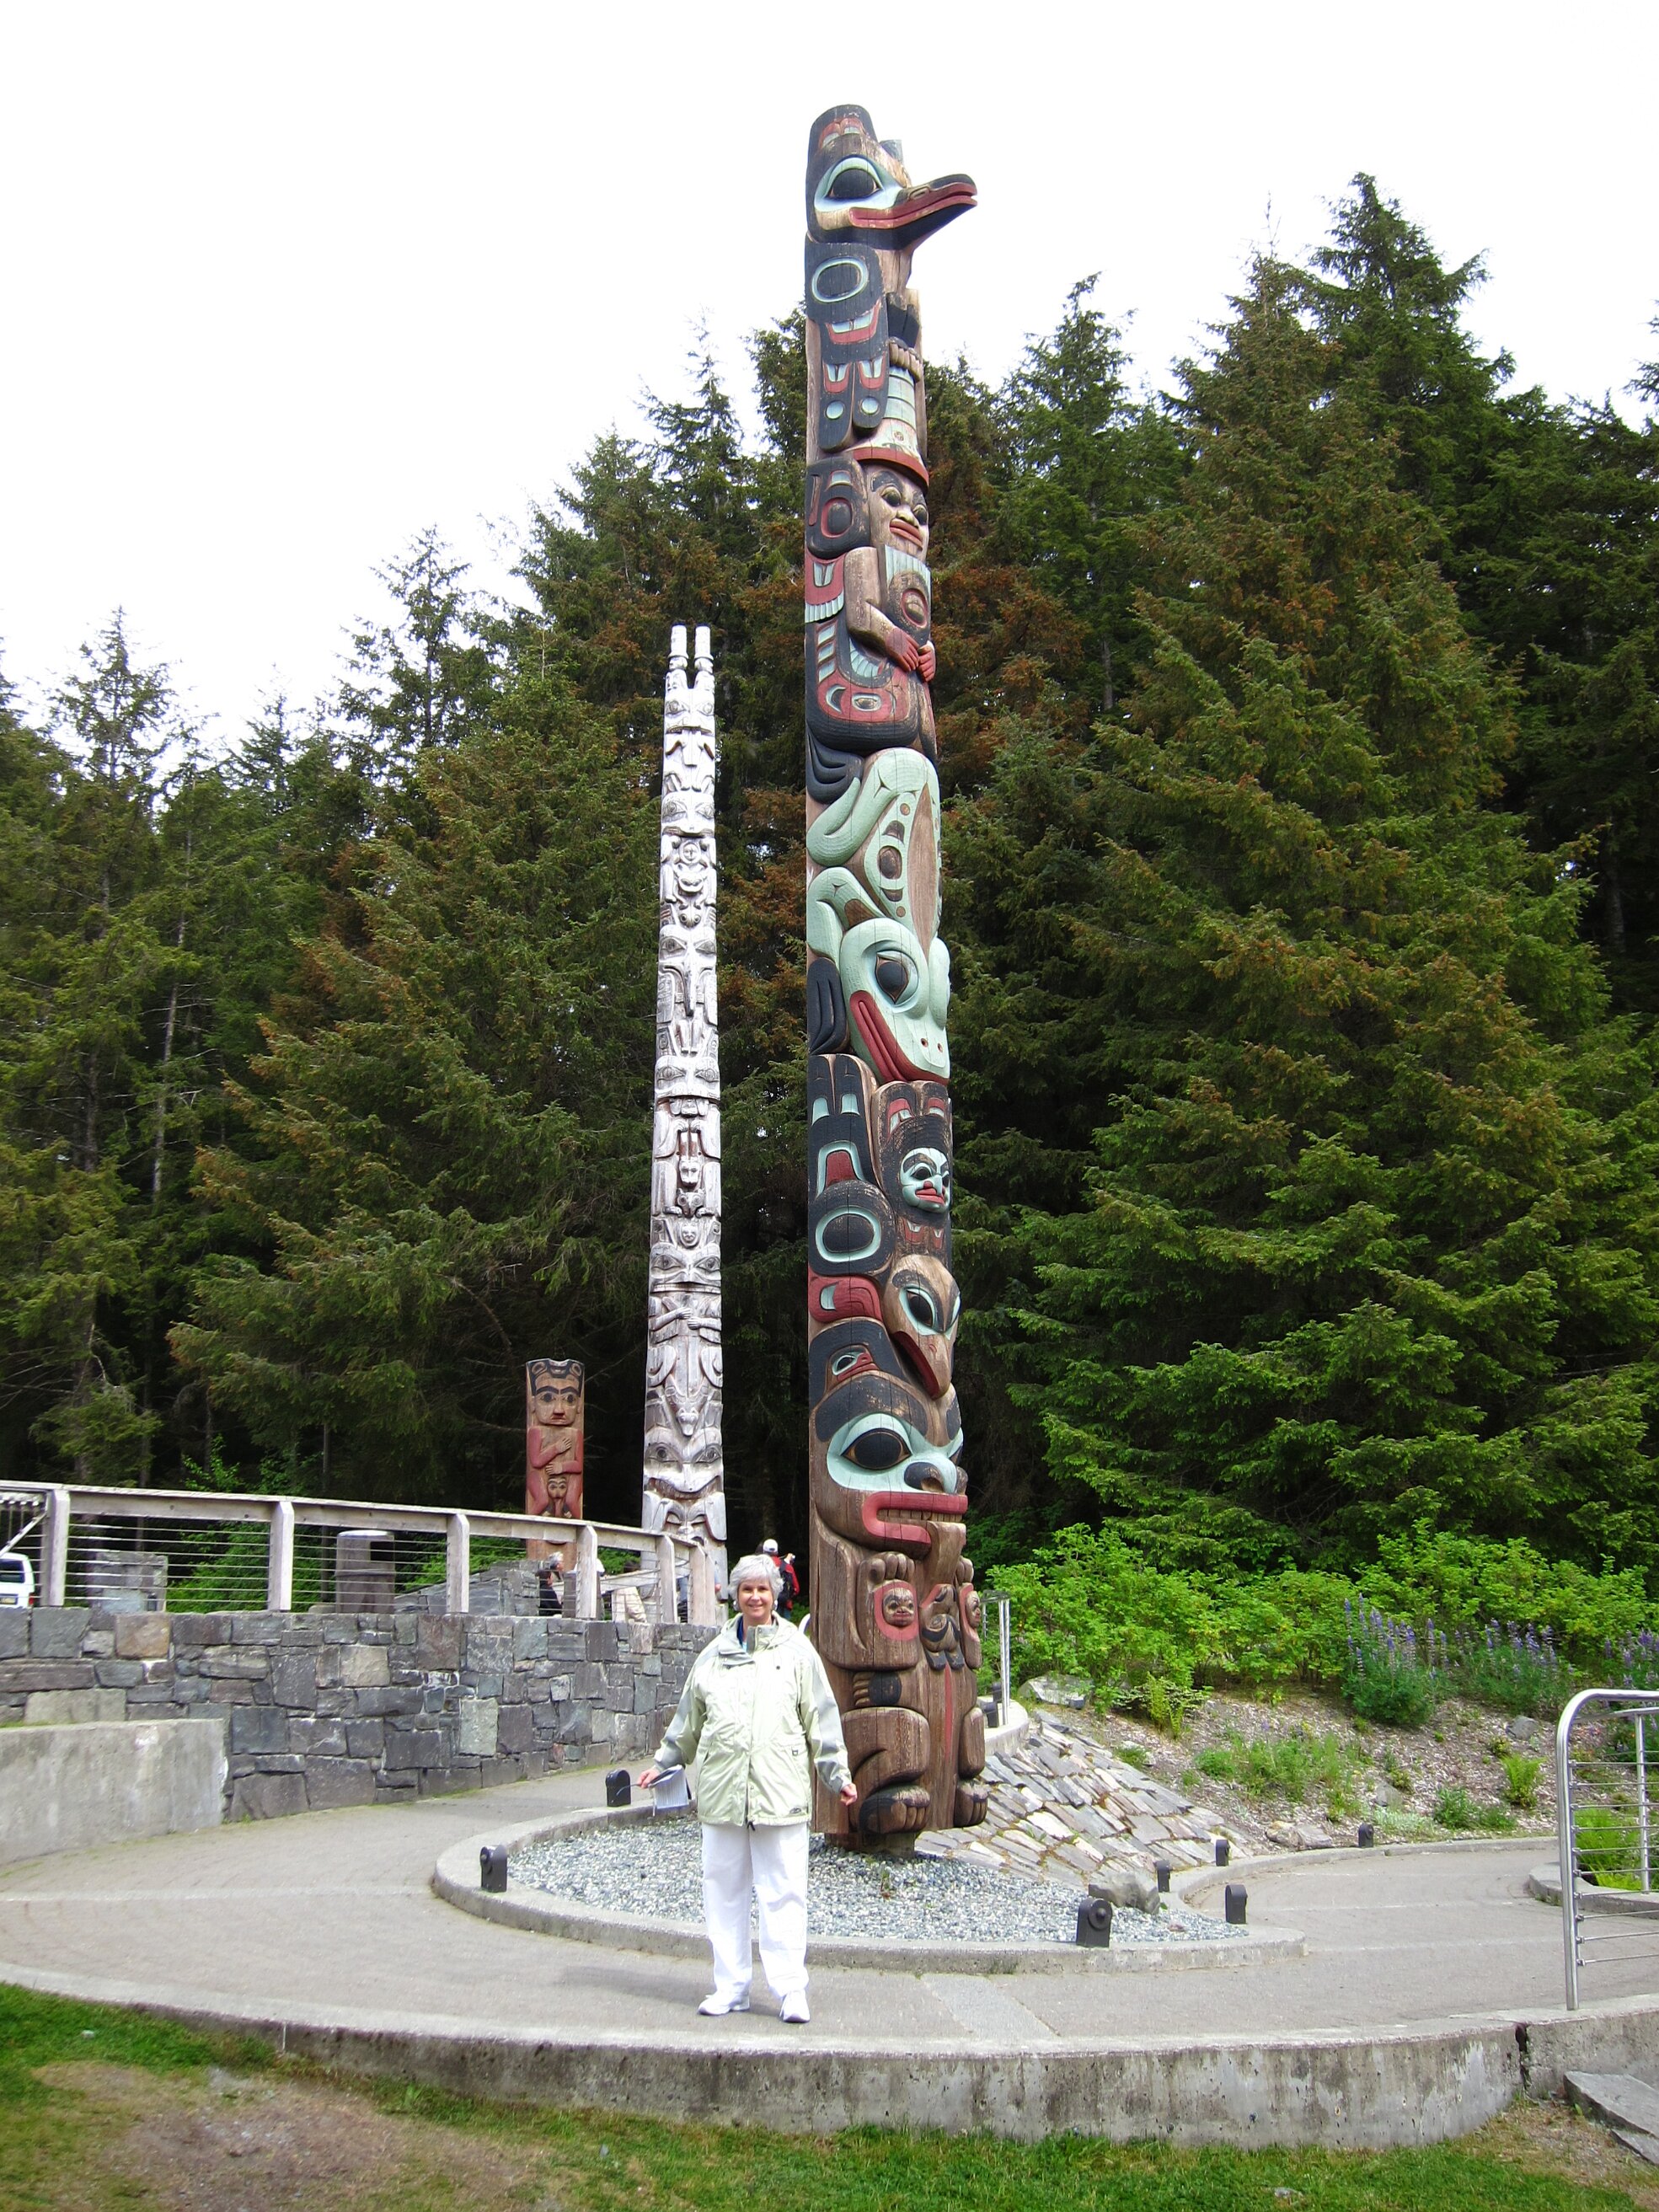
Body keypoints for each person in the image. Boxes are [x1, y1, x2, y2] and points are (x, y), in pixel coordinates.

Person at [640, 1552, 856, 2023]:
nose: (755, 1597)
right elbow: (689, 1719)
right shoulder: (714, 1655)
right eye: (746, 1590)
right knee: (723, 1890)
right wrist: (665, 1762)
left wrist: (837, 1774)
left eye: (762, 1589)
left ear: (774, 1594)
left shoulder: (797, 1652)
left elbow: (821, 1717)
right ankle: (731, 1986)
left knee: (784, 1891)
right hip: (722, 1790)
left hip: (779, 1790)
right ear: (735, 1596)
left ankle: (790, 1989)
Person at [762, 1537, 800, 1618]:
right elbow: (796, 1589)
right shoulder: (788, 1567)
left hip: (766, 1605)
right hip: (786, 1604)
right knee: (785, 1626)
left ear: (764, 1552)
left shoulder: (760, 1566)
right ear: (777, 1551)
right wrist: (786, 1596)